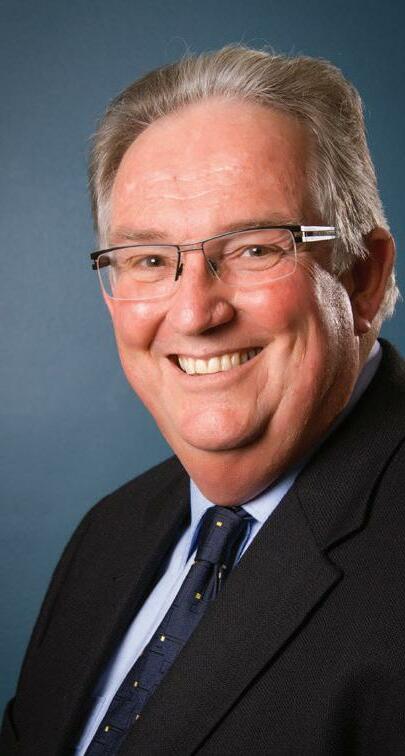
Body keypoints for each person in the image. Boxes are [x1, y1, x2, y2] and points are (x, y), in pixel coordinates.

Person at [2, 44, 405, 755]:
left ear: (363, 278)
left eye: (254, 248)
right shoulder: (109, 534)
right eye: (150, 260)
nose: (193, 313)